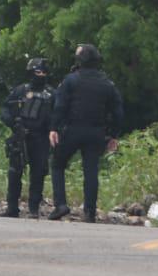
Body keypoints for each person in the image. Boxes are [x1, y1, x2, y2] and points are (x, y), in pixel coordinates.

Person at [47, 44, 123, 223]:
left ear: (80, 61)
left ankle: (61, 205)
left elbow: (60, 106)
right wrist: (113, 135)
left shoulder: (71, 80)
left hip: (72, 129)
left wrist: (54, 128)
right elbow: (118, 112)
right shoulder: (107, 84)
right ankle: (89, 212)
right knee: (91, 171)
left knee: (57, 163)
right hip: (96, 132)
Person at [0, 57, 55, 218]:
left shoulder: (51, 94)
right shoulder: (21, 90)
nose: (41, 75)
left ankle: (33, 209)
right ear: (31, 72)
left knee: (38, 173)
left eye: (44, 72)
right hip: (20, 135)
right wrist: (13, 123)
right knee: (14, 172)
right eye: (38, 72)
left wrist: (53, 130)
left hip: (41, 138)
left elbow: (58, 116)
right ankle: (12, 207)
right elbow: (5, 109)